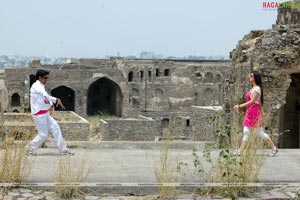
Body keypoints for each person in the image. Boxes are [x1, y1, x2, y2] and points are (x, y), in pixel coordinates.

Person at [26, 69, 74, 156]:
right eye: (45, 78)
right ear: (40, 78)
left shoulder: (40, 86)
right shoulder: (36, 86)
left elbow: (46, 96)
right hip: (39, 114)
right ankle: (29, 148)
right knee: (43, 134)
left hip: (45, 113)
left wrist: (56, 99)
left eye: (47, 78)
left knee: (56, 128)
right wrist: (52, 105)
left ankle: (63, 149)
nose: (46, 79)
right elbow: (44, 94)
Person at [233, 71, 278, 157]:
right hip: (250, 112)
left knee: (260, 133)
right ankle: (240, 151)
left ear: (255, 78)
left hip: (253, 113)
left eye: (251, 76)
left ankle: (274, 148)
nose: (249, 77)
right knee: (246, 132)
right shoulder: (253, 88)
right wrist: (263, 113)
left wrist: (239, 106)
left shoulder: (257, 89)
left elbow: (252, 101)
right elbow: (259, 102)